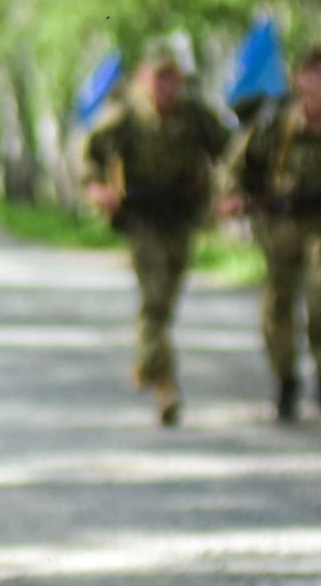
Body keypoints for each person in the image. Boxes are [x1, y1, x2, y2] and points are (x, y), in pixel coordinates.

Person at [81, 41, 231, 426]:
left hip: (181, 217)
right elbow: (88, 151)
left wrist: (226, 191)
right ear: (146, 80)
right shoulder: (127, 115)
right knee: (154, 300)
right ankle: (166, 385)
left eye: (173, 81)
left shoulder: (195, 114)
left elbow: (231, 151)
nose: (166, 89)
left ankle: (147, 359)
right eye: (159, 80)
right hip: (142, 218)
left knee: (166, 300)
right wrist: (96, 188)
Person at [219, 41, 321, 421]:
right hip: (281, 224)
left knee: (319, 292)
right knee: (277, 305)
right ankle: (285, 379)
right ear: (298, 79)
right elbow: (234, 167)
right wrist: (231, 196)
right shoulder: (275, 124)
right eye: (314, 72)